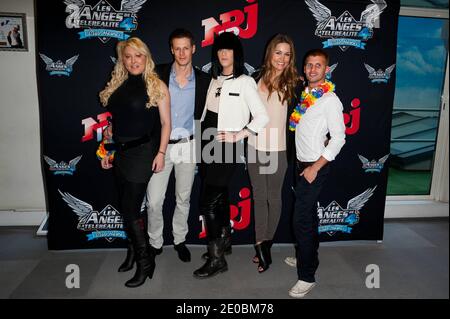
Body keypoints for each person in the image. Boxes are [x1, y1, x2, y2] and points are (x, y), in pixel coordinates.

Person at [193, 32, 269, 279]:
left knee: (208, 202)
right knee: (220, 196)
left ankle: (217, 259)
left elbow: (263, 117)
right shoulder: (213, 79)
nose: (224, 54)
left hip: (226, 147)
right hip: (206, 142)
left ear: (236, 54)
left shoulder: (245, 81)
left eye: (229, 49)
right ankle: (224, 240)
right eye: (220, 49)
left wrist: (241, 134)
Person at [98, 37, 171, 288]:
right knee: (126, 206)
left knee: (130, 209)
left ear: (146, 57)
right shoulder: (118, 83)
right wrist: (109, 147)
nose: (132, 61)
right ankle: (132, 251)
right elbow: (117, 121)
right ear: (123, 59)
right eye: (127, 56)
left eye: (137, 56)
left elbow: (165, 124)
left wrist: (161, 153)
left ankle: (145, 262)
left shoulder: (156, 85)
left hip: (143, 152)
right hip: (120, 151)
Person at [146, 28, 210, 262]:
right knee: (154, 200)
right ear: (171, 50)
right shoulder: (157, 74)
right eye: (177, 48)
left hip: (188, 145)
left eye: (186, 48)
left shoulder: (204, 80)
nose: (182, 53)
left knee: (183, 198)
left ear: (193, 49)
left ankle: (180, 240)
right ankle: (155, 242)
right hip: (161, 147)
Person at [288, 49, 345, 298]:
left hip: (314, 167)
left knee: (300, 220)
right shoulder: (306, 94)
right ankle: (306, 255)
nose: (313, 69)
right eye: (309, 65)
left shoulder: (330, 100)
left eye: (318, 65)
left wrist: (314, 167)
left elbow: (339, 139)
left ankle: (307, 276)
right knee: (308, 218)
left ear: (326, 70)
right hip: (300, 165)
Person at [247, 34, 303, 273]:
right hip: (254, 147)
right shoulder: (253, 79)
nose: (282, 58)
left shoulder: (295, 83)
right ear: (270, 53)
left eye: (287, 54)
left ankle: (266, 245)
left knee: (274, 197)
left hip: (279, 149)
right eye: (278, 52)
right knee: (258, 197)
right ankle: (260, 245)